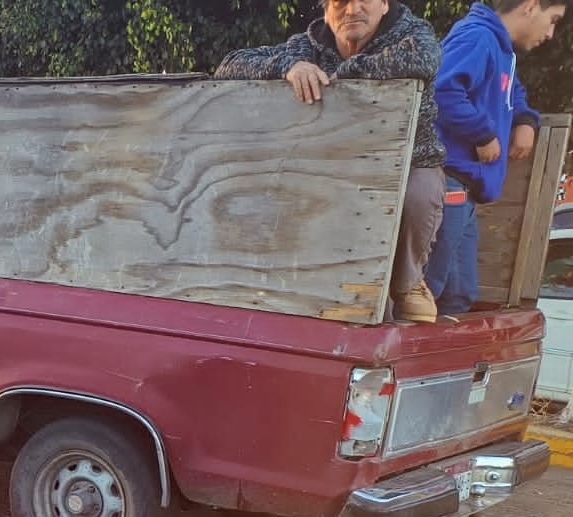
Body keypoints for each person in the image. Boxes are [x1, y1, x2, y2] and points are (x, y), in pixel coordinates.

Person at [215, 0, 447, 324]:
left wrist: (338, 79)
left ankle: (408, 284)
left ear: (383, 4)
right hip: (333, 168)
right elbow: (230, 64)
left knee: (419, 196)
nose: (352, 10)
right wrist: (289, 66)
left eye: (363, 0)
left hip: (409, 162)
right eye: (340, 2)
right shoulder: (307, 46)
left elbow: (422, 58)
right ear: (326, 10)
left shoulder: (412, 34)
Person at [425, 0, 565, 316]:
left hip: (466, 191)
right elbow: (442, 89)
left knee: (460, 294)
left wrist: (526, 121)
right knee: (427, 289)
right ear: (531, 6)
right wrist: (483, 133)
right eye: (553, 19)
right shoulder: (477, 37)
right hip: (448, 183)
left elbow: (513, 94)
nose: (551, 32)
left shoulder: (503, 51)